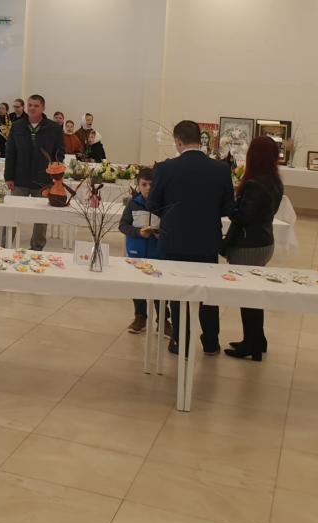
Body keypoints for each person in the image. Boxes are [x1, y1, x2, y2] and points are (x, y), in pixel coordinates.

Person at [147, 120, 237, 356]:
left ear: (178, 141)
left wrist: (172, 217)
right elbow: (228, 207)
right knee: (207, 291)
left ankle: (181, 341)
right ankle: (211, 342)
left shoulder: (165, 168)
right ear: (201, 140)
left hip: (174, 239)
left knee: (178, 291)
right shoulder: (220, 169)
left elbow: (153, 204)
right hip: (207, 240)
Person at [222, 136, 284, 361]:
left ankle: (252, 343)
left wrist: (228, 205)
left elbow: (243, 217)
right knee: (253, 293)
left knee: (248, 296)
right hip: (264, 241)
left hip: (249, 245)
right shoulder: (274, 181)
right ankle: (257, 339)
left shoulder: (255, 184)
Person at [5, 95, 66, 250]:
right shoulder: (17, 126)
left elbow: (59, 154)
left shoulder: (54, 128)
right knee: (12, 213)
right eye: (30, 105)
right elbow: (10, 152)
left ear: (43, 108)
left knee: (41, 216)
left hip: (43, 179)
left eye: (36, 105)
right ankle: (5, 246)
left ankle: (37, 247)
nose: (32, 108)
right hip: (20, 178)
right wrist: (8, 177)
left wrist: (55, 174)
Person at [120, 166, 158, 333]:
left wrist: (160, 234)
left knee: (160, 287)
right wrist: (138, 232)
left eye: (151, 184)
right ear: (138, 185)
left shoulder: (162, 204)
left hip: (158, 253)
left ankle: (164, 320)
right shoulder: (133, 204)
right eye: (144, 184)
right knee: (137, 285)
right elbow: (123, 225)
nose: (148, 188)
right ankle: (140, 316)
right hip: (137, 252)